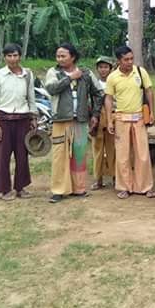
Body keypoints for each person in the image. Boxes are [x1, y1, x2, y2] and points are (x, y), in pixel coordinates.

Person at [44, 44, 103, 203]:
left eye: (63, 56)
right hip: (60, 119)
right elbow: (51, 89)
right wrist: (70, 78)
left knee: (79, 154)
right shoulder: (53, 72)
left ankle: (79, 188)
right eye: (58, 56)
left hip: (81, 120)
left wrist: (95, 114)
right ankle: (58, 190)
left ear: (73, 57)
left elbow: (99, 93)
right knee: (59, 155)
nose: (60, 59)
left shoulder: (86, 73)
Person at [104, 46, 155, 199]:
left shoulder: (140, 72)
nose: (129, 62)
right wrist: (109, 120)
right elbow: (108, 99)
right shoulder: (113, 77)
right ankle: (124, 187)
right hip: (121, 118)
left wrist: (152, 112)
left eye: (131, 59)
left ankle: (145, 187)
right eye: (126, 59)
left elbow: (149, 91)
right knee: (122, 155)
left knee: (143, 154)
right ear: (118, 60)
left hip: (139, 118)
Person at [0, 43, 37, 200]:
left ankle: (20, 187)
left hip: (23, 120)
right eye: (9, 56)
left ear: (20, 56)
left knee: (22, 156)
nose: (12, 59)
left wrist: (33, 118)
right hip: (3, 120)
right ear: (4, 57)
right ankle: (4, 189)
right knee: (2, 156)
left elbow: (31, 99)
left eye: (15, 55)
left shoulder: (27, 75)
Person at [91, 56, 116, 190]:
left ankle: (115, 177)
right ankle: (98, 179)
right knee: (97, 149)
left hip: (112, 116)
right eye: (100, 67)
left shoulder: (115, 82)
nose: (103, 70)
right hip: (97, 118)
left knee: (113, 149)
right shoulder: (93, 83)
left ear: (110, 69)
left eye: (106, 67)